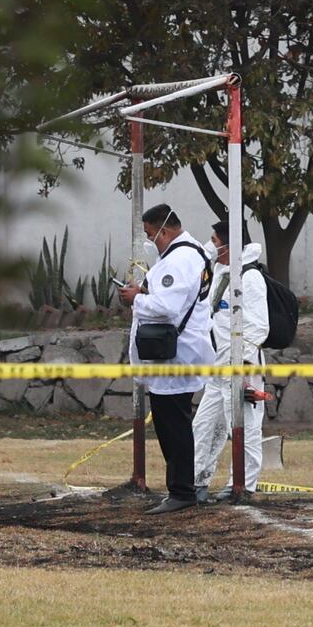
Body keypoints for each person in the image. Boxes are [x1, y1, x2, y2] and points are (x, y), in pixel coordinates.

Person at [119, 204, 215, 515]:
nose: (152, 242)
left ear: (166, 229)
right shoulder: (188, 254)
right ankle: (180, 489)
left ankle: (181, 491)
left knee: (173, 425)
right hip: (175, 354)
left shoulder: (180, 258)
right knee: (172, 422)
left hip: (175, 355)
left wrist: (137, 298)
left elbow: (167, 307)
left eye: (151, 235)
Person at [192, 221, 270, 502]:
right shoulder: (221, 273)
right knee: (204, 425)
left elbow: (259, 327)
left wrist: (245, 369)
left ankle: (243, 485)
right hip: (217, 367)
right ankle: (197, 481)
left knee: (245, 428)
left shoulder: (250, 278)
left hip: (241, 368)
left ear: (230, 244)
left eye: (215, 240)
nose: (212, 245)